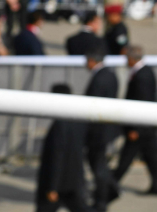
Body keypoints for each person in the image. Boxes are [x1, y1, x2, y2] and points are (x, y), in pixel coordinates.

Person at [113, 45, 157, 196]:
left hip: (140, 127)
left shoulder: (142, 76)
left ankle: (110, 185)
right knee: (151, 158)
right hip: (146, 126)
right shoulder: (144, 72)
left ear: (132, 58)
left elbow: (143, 103)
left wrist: (136, 128)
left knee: (126, 158)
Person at [36, 83, 91, 212]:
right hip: (74, 179)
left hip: (60, 183)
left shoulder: (60, 124)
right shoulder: (78, 120)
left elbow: (57, 156)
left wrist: (52, 187)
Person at [84, 41, 119, 211]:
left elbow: (92, 106)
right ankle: (110, 190)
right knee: (100, 164)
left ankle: (102, 198)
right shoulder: (110, 74)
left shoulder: (99, 78)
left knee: (98, 166)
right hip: (105, 130)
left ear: (92, 60)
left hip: (97, 132)